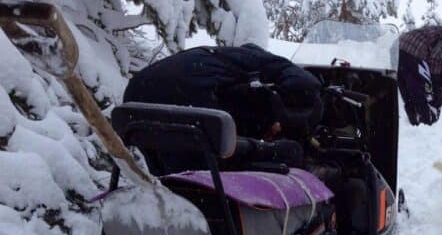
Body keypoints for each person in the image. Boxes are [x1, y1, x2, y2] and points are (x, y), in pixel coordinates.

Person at [123, 43, 323, 173]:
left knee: (175, 171)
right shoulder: (267, 62)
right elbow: (307, 83)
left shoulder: (221, 58)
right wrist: (281, 114)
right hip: (185, 94)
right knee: (212, 166)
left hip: (136, 94)